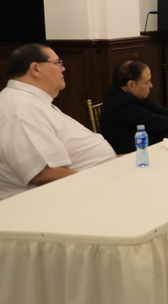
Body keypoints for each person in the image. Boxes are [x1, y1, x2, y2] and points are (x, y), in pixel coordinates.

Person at [0, 44, 116, 200]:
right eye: (57, 63)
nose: (63, 68)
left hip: (84, 185)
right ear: (36, 69)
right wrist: (100, 186)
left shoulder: (32, 101)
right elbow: (44, 173)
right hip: (56, 201)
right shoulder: (21, 109)